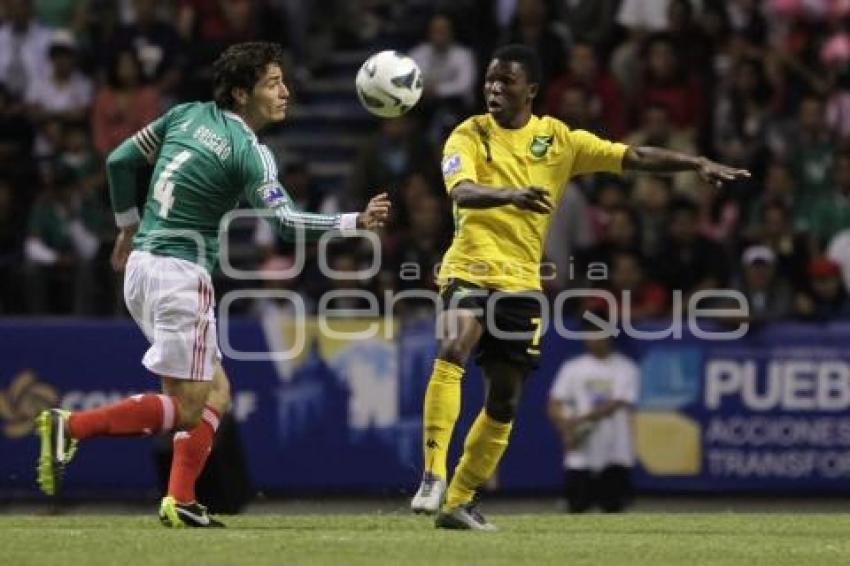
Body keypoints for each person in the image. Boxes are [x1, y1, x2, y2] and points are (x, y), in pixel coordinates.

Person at [35, 42, 390, 528]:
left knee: (215, 393)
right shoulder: (251, 152)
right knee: (186, 407)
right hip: (182, 274)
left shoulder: (184, 116)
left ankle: (179, 498)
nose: (286, 91)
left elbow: (119, 160)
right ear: (242, 94)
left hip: (142, 268)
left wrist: (125, 227)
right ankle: (71, 426)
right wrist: (355, 221)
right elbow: (285, 225)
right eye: (273, 83)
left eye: (284, 81)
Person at [410, 44, 749, 530]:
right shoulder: (469, 134)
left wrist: (693, 162)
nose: (494, 89)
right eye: (489, 80)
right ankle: (432, 473)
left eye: (506, 81)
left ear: (531, 89)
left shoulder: (559, 140)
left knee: (504, 399)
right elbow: (460, 191)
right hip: (468, 269)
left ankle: (460, 500)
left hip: (522, 283)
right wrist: (510, 194)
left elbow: (633, 156)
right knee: (452, 345)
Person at [547, 327, 639, 513]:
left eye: (600, 335)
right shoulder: (572, 368)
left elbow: (617, 403)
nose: (595, 339)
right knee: (576, 509)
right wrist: (565, 428)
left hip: (615, 452)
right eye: (591, 334)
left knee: (613, 509)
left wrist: (579, 420)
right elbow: (554, 403)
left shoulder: (625, 368)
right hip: (581, 454)